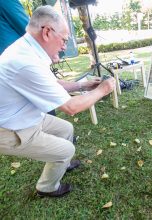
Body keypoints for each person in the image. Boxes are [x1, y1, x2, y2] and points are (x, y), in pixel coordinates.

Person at [0, 5, 116, 198]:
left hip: (24, 116)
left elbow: (50, 83)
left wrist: (82, 85)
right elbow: (71, 107)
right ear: (47, 32)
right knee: (67, 149)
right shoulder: (25, 61)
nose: (64, 46)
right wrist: (103, 90)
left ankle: (63, 162)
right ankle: (47, 187)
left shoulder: (27, 49)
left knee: (66, 129)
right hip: (11, 129)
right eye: (63, 39)